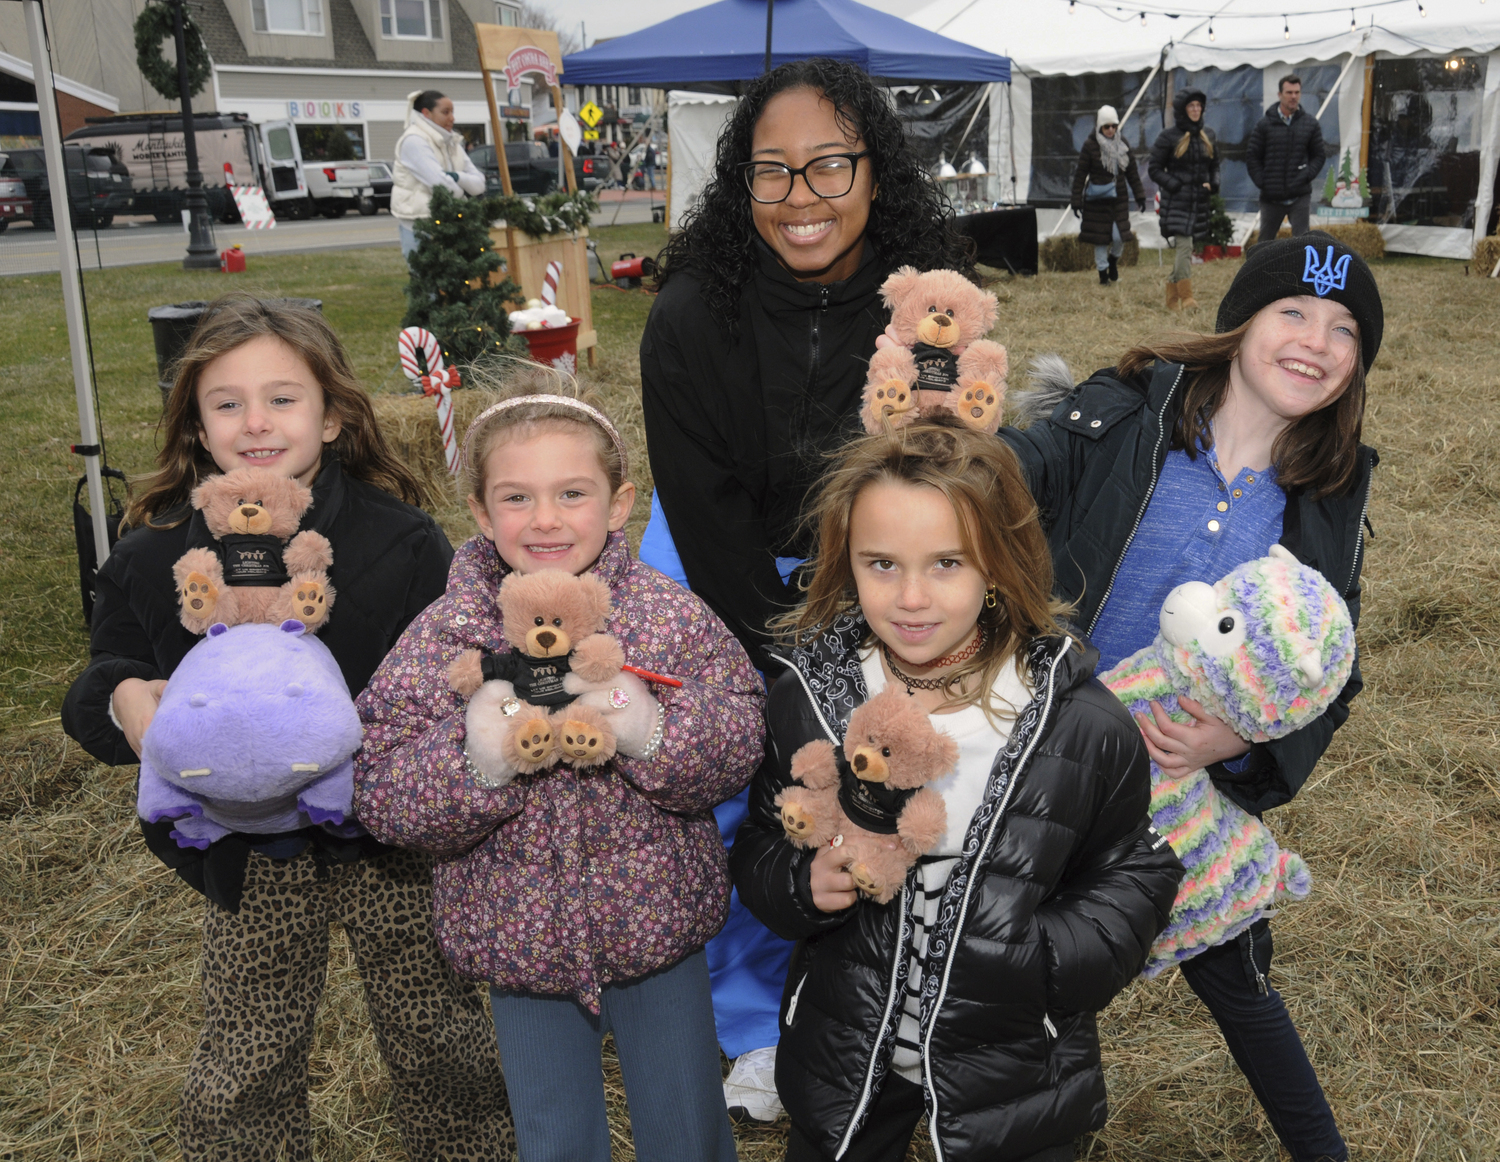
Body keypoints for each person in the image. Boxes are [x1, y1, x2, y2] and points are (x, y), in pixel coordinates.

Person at [59, 296, 513, 1161]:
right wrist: (125, 701)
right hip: (246, 841)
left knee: (439, 1031)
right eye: (227, 403)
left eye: (282, 398)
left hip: (390, 840)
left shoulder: (401, 542)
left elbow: (456, 671)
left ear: (332, 415)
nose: (256, 422)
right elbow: (100, 682)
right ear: (197, 426)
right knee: (249, 1046)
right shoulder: (155, 555)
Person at [640, 56, 975, 1122]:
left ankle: (895, 1002)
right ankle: (748, 1022)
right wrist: (790, 675)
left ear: (876, 170)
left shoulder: (927, 315)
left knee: (894, 779)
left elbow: (951, 475)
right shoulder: (689, 315)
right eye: (772, 171)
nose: (801, 198)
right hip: (717, 570)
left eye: (830, 166)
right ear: (740, 181)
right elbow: (704, 513)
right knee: (751, 785)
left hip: (881, 570)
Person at [1000, 231, 1383, 1162]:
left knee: (1238, 970)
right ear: (1241, 321)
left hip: (1177, 786)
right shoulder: (1124, 415)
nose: (1316, 342)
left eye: (1343, 330)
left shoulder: (1327, 502)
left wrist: (1242, 744)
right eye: (1292, 312)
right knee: (1023, 965)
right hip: (1044, 753)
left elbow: (1330, 671)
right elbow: (1005, 474)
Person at [729, 418, 1183, 1162]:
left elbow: (1134, 872)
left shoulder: (1078, 723)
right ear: (845, 561)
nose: (911, 597)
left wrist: (1042, 960)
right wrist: (801, 883)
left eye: (947, 563)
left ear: (998, 564)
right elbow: (760, 842)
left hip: (1011, 1068)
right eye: (882, 563)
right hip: (845, 1054)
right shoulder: (808, 699)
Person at [352, 369, 766, 1162]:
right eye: (517, 497)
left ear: (618, 504)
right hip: (517, 940)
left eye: (572, 494)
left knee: (685, 1125)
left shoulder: (666, 615)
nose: (545, 519)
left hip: (657, 925)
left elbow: (741, 733)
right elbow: (379, 783)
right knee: (552, 1135)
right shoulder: (450, 632)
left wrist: (647, 728)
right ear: (481, 511)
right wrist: (478, 760)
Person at [391, 89, 485, 259]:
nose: (452, 118)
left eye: (452, 112)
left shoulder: (452, 142)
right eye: (445, 112)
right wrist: (462, 188)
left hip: (453, 224)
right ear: (426, 113)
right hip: (421, 226)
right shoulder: (414, 141)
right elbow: (441, 186)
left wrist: (457, 177)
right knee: (425, 274)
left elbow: (479, 184)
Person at [1149, 87, 1219, 312]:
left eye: (1199, 106)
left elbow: (1215, 165)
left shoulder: (1208, 134)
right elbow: (1154, 168)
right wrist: (1174, 185)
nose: (1196, 110)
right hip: (1177, 203)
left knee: (1186, 248)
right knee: (1185, 246)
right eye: (1191, 106)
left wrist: (1213, 183)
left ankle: (1171, 299)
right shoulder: (1168, 137)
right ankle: (1187, 298)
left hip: (1199, 203)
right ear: (1183, 109)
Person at [1070, 104, 1148, 286]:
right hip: (1097, 201)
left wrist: (1140, 196)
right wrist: (1076, 201)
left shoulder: (1123, 144)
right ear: (1100, 127)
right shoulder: (1090, 146)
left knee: (1119, 237)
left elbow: (1132, 173)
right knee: (1100, 240)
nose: (1111, 130)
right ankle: (1103, 276)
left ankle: (1113, 261)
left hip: (1118, 200)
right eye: (1107, 126)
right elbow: (1080, 174)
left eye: (1114, 126)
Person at [1248, 75, 1327, 244]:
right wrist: (1263, 182)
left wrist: (1306, 175)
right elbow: (1252, 156)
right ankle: (1260, 264)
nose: (1293, 96)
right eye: (1289, 92)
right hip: (1271, 196)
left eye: (1297, 92)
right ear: (1280, 95)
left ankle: (1300, 264)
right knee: (1264, 244)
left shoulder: (1310, 124)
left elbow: (1319, 155)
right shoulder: (1264, 125)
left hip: (1299, 194)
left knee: (1303, 242)